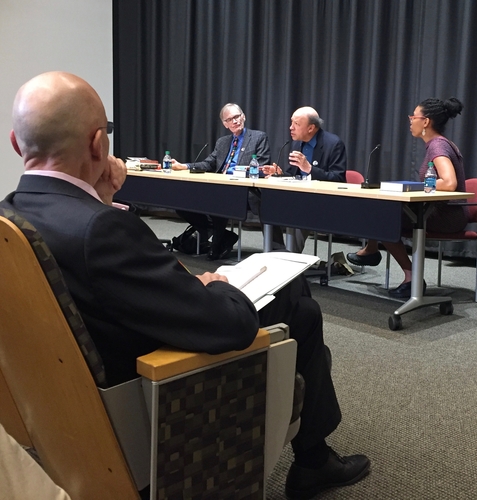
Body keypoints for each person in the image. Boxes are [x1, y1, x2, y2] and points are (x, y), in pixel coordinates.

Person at [2, 72, 369, 499]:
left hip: (67, 394)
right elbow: (230, 325)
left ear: (15, 143)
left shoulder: (14, 215)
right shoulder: (103, 230)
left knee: (299, 309)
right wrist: (214, 283)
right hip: (152, 387)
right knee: (299, 305)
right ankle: (313, 457)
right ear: (98, 145)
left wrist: (99, 194)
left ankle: (313, 445)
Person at [347, 97, 468, 298]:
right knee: (381, 214)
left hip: (447, 214)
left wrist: (416, 186)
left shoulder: (437, 145)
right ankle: (373, 249)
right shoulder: (437, 144)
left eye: (413, 117)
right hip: (441, 211)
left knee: (382, 218)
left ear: (426, 121)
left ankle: (408, 275)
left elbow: (449, 183)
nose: (410, 121)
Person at [171, 103, 270, 260]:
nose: (235, 121)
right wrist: (185, 166)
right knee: (182, 201)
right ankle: (217, 232)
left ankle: (216, 244)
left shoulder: (258, 137)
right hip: (219, 188)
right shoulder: (222, 142)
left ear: (243, 116)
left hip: (243, 191)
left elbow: (262, 165)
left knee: (219, 200)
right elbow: (209, 163)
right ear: (225, 124)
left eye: (237, 117)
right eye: (230, 119)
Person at [263, 106, 347, 252]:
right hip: (298, 196)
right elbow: (294, 175)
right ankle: (276, 252)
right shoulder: (297, 143)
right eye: (291, 122)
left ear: (311, 128)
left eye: (296, 124)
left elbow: (338, 178)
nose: (291, 128)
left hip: (323, 201)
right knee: (266, 203)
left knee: (298, 212)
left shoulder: (333, 144)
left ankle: (290, 262)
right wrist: (279, 173)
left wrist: (309, 169)